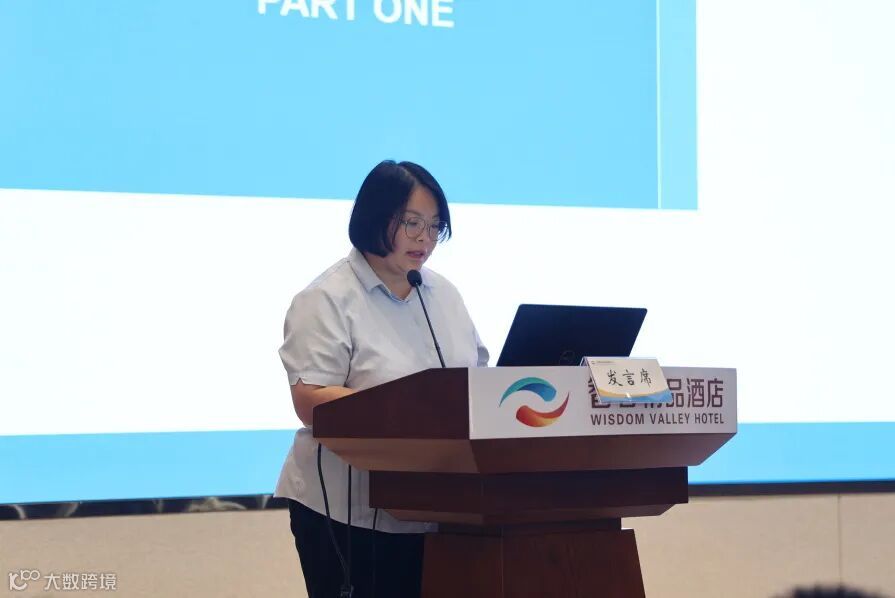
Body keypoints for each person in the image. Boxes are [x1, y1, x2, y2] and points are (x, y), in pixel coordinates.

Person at [275, 160, 489, 598]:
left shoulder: (443, 294)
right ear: (375, 218)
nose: (425, 238)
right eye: (412, 223)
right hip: (347, 516)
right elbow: (310, 399)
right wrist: (406, 406)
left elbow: (477, 383)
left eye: (435, 226)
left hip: (440, 509)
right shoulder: (327, 298)